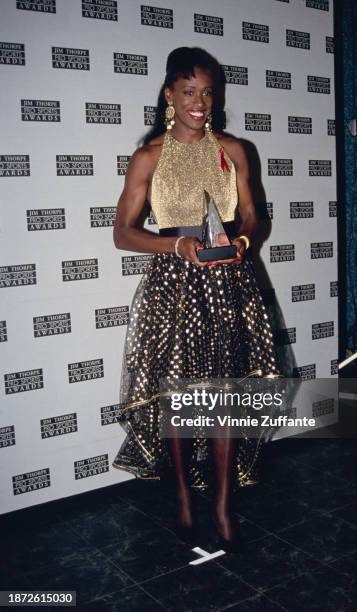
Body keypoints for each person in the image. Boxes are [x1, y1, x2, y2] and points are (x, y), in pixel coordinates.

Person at [112, 47, 281, 548]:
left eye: (207, 92)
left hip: (230, 283)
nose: (199, 102)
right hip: (175, 286)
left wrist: (244, 242)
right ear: (169, 95)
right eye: (189, 92)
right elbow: (122, 233)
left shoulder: (235, 150)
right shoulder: (150, 157)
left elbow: (252, 214)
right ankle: (185, 494)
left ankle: (225, 502)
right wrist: (176, 245)